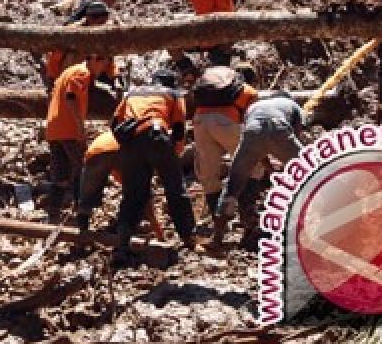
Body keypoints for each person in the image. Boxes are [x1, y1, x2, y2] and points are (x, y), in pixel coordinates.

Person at [110, 69, 197, 264]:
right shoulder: (173, 94)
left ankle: (122, 243)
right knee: (175, 189)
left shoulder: (132, 93)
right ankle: (188, 237)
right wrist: (173, 156)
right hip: (157, 136)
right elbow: (179, 129)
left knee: (132, 195)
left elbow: (114, 122)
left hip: (130, 141)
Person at [216, 91, 305, 249]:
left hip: (252, 133)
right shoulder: (293, 106)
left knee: (234, 184)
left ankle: (217, 237)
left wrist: (269, 167)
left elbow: (256, 140)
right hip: (280, 130)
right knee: (311, 170)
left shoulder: (254, 106)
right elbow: (296, 136)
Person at [188, 55, 257, 247]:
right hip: (226, 123)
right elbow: (253, 124)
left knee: (209, 178)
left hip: (200, 122)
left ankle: (218, 233)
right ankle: (249, 226)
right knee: (253, 167)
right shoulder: (248, 91)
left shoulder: (209, 91)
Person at [45, 53, 115, 218]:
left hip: (54, 129)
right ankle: (82, 212)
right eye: (103, 64)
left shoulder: (69, 72)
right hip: (69, 129)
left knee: (60, 174)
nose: (103, 70)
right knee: (83, 169)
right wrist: (80, 128)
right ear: (94, 60)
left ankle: (53, 213)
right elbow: (71, 98)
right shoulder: (81, 73)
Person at [76, 129, 164, 241]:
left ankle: (82, 231)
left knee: (86, 197)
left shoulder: (119, 132)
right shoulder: (143, 148)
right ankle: (124, 230)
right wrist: (158, 231)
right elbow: (135, 188)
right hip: (121, 150)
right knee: (135, 195)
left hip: (94, 152)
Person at [42, 0, 110, 92]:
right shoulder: (72, 32)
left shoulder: (105, 32)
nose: (102, 24)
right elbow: (54, 56)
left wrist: (115, 75)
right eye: (100, 21)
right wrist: (51, 79)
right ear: (89, 18)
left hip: (91, 79)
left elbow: (110, 58)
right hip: (68, 78)